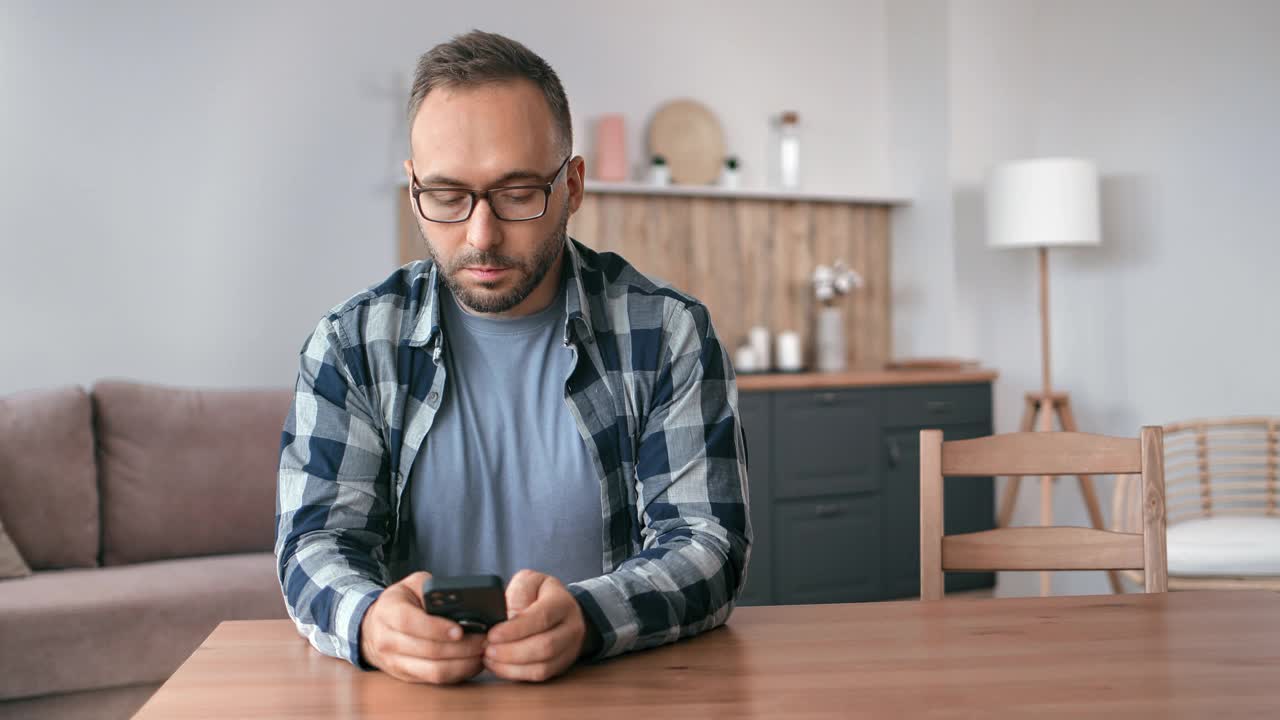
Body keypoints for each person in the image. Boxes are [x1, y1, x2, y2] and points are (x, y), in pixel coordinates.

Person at [275, 30, 750, 685]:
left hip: (613, 694)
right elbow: (315, 544)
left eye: (518, 193)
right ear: (413, 187)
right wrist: (369, 621)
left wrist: (589, 618)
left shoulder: (669, 334)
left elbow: (708, 545)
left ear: (573, 184)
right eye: (446, 196)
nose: (481, 235)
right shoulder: (351, 346)